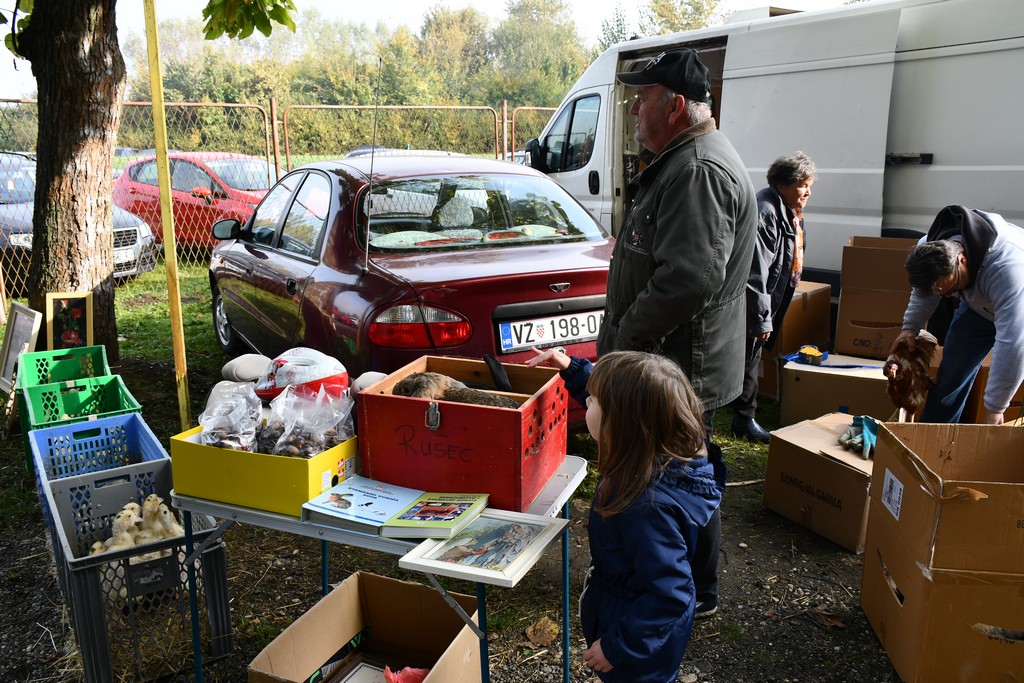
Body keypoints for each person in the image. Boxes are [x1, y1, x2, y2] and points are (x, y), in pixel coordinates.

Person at [598, 48, 758, 618]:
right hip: (675, 356)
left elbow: (688, 278)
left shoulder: (696, 169)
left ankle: (690, 592)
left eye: (643, 99)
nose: (634, 108)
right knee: (685, 468)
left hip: (679, 361)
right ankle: (685, 584)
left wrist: (625, 342)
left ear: (677, 106)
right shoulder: (684, 158)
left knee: (680, 477)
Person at [533, 349, 721, 682]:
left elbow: (670, 593)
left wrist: (618, 647)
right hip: (636, 624)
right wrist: (572, 369)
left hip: (638, 646)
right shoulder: (660, 451)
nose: (585, 403)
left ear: (623, 423)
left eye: (591, 401)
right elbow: (622, 397)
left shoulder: (646, 508)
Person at [891, 204, 1024, 424]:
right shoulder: (928, 249)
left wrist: (995, 407)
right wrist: (910, 327)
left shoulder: (1008, 269)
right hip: (978, 311)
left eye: (952, 288)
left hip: (1017, 306)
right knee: (950, 377)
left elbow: (1014, 343)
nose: (946, 296)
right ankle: (934, 441)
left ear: (961, 259)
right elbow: (923, 292)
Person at [730, 152, 817, 443]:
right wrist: (761, 318)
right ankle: (743, 419)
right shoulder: (766, 211)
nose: (808, 191)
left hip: (764, 298)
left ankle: (740, 414)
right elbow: (755, 271)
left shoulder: (788, 211)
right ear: (783, 184)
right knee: (749, 355)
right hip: (750, 299)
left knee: (748, 356)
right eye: (803, 184)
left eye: (809, 184)